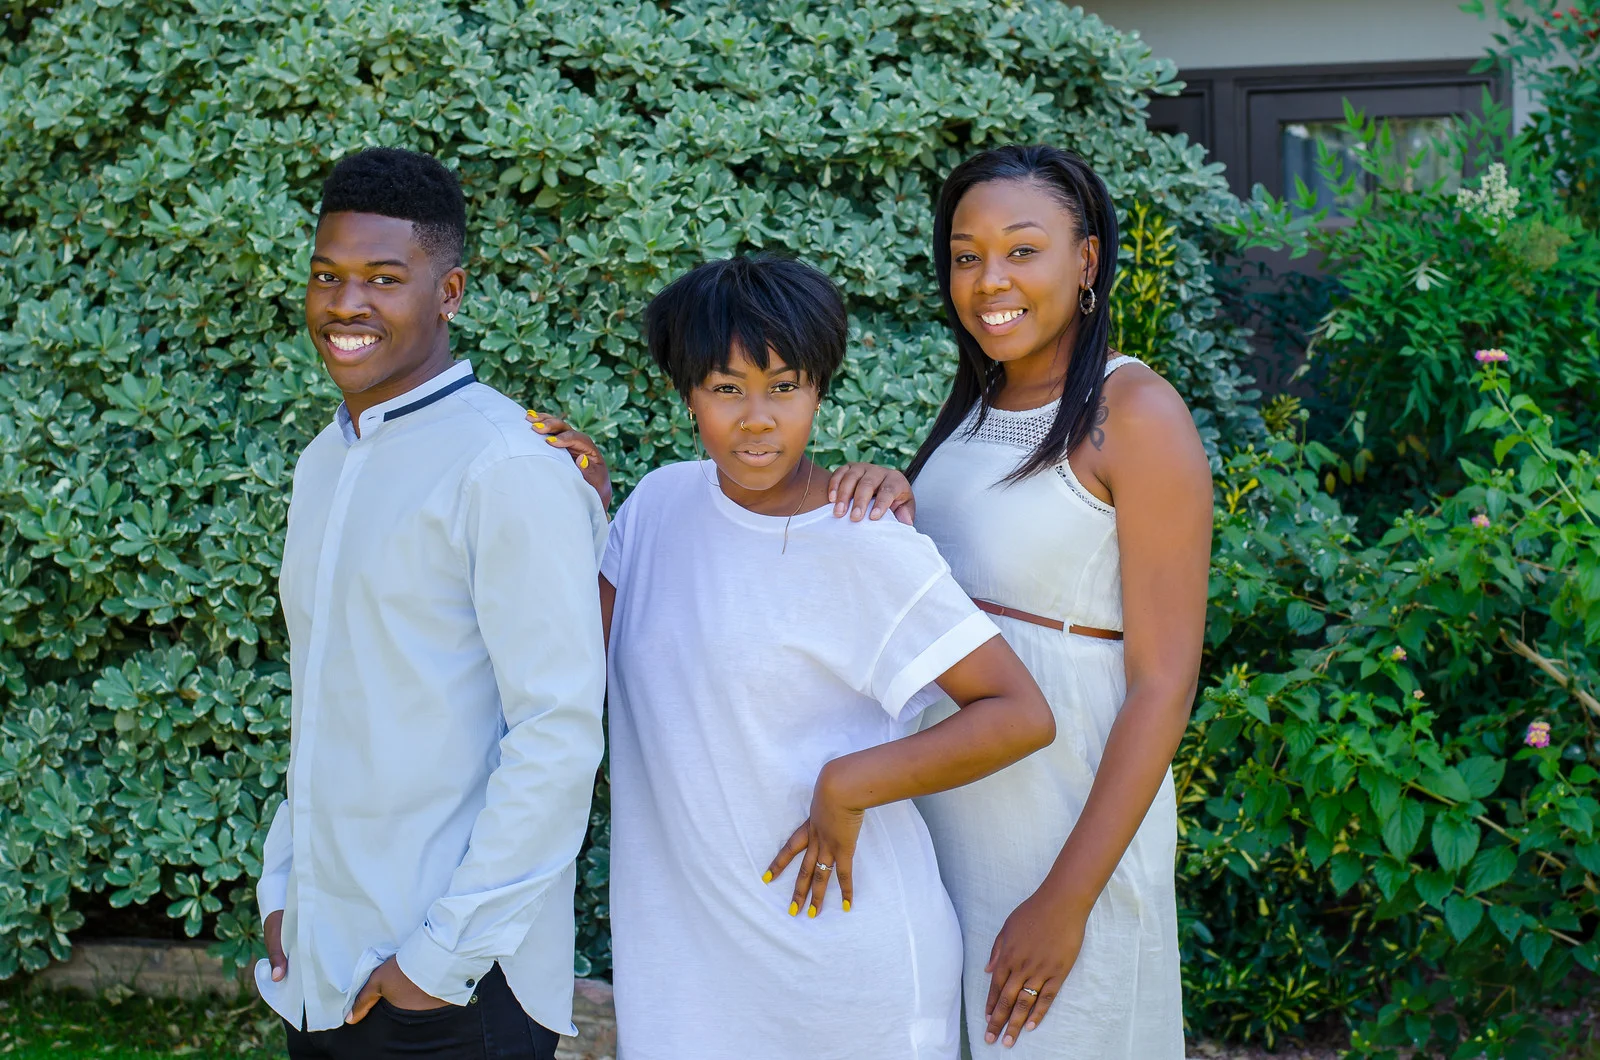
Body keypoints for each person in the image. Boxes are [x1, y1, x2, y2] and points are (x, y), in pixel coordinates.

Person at [592, 255, 1056, 1060]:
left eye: (785, 386)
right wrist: (570, 499)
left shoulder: (865, 540)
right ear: (687, 393)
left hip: (844, 971)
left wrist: (847, 786)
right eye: (726, 388)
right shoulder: (655, 508)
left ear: (818, 391)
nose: (758, 418)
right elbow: (567, 677)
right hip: (686, 970)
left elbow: (1019, 714)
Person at [825, 145, 1212, 1056]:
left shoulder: (1136, 412)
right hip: (948, 822)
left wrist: (1064, 902)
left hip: (1065, 836)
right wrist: (895, 499)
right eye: (966, 255)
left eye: (1022, 250)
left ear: (1087, 259)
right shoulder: (974, 408)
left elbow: (1165, 684)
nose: (988, 280)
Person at [254, 147, 608, 1060]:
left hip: (453, 990)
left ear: (448, 292)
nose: (346, 304)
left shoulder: (507, 465)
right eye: (327, 276)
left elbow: (558, 733)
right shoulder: (321, 461)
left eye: (383, 278)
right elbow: (322, 701)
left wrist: (439, 961)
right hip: (321, 967)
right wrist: (282, 889)